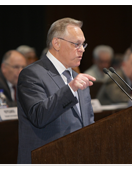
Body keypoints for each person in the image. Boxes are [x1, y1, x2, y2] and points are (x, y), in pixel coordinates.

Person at [17, 17, 96, 166]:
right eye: (76, 44)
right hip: (46, 160)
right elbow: (38, 116)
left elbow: (88, 124)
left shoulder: (77, 78)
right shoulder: (32, 74)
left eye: (83, 44)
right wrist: (70, 89)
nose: (82, 49)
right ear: (56, 43)